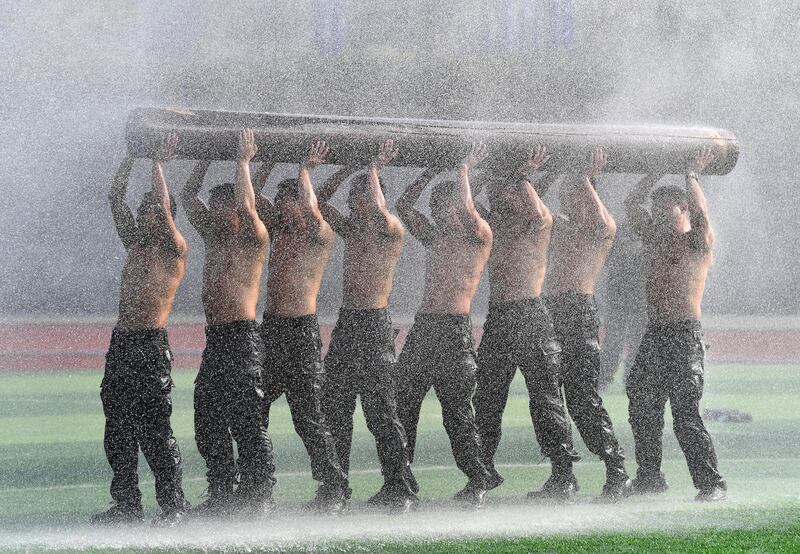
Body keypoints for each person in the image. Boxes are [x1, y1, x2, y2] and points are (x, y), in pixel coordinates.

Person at [471, 145, 580, 502]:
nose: (493, 194)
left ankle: (563, 476)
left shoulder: (536, 223)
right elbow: (466, 204)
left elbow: (539, 212)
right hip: (500, 316)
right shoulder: (493, 224)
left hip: (530, 316)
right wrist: (474, 171)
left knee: (546, 400)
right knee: (487, 398)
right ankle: (482, 472)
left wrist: (522, 177)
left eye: (500, 189)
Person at [92, 134, 189, 526]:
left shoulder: (174, 247)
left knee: (155, 429)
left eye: (151, 208)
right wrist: (131, 158)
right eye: (145, 208)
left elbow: (164, 206)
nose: (145, 211)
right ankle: (127, 504)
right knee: (117, 427)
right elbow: (115, 197)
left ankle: (174, 507)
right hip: (123, 342)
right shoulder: (135, 243)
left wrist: (158, 163)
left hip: (150, 344)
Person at [316, 140, 416, 513]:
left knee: (381, 413)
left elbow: (377, 205)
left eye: (361, 197)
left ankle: (400, 488)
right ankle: (335, 489)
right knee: (335, 407)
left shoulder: (390, 229)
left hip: (374, 324)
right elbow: (321, 204)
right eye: (354, 198)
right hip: (349, 323)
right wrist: (346, 167)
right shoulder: (353, 230)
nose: (355, 204)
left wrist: (373, 165)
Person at [624, 147, 727, 502]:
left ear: (681, 208)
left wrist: (691, 173)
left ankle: (711, 484)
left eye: (663, 208)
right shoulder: (656, 239)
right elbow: (631, 204)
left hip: (684, 335)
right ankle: (650, 476)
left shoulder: (697, 241)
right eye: (655, 209)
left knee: (685, 414)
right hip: (655, 336)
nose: (655, 214)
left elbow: (701, 212)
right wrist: (655, 170)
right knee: (641, 403)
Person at [394, 143, 494, 509]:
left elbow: (468, 210)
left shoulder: (478, 234)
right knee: (403, 403)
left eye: (445, 205)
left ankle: (479, 478)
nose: (439, 212)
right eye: (436, 207)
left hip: (454, 330)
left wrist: (463, 169)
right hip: (425, 328)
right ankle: (400, 481)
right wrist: (427, 173)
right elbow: (404, 207)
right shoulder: (437, 237)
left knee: (456, 412)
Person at [182, 129, 275, 517]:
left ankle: (260, 495)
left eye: (226, 207)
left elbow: (249, 207)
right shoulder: (213, 236)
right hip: (217, 338)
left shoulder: (253, 236)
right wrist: (204, 156)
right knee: (207, 412)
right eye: (216, 207)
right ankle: (222, 488)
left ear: (236, 209)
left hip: (243, 337)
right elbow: (188, 198)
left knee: (247, 418)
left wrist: (242, 162)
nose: (217, 213)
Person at [254, 140, 348, 514]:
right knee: (254, 410)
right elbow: (254, 200)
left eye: (286, 201)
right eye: (278, 203)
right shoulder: (280, 232)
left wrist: (304, 168)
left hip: (301, 334)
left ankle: (334, 488)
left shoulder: (317, 234)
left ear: (301, 202)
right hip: (272, 329)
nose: (278, 208)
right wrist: (265, 159)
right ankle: (259, 486)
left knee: (307, 415)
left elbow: (312, 207)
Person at [543, 148, 632, 501]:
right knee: (550, 399)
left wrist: (584, 175)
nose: (565, 196)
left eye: (573, 192)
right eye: (565, 191)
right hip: (551, 311)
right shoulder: (561, 225)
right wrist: (547, 170)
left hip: (578, 312)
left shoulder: (601, 228)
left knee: (581, 399)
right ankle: (562, 474)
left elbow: (601, 220)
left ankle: (617, 471)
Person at [598, 209, 652, 392]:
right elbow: (606, 259)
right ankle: (606, 378)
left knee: (636, 340)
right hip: (620, 296)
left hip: (639, 298)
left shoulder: (650, 236)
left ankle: (631, 378)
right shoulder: (620, 232)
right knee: (614, 339)